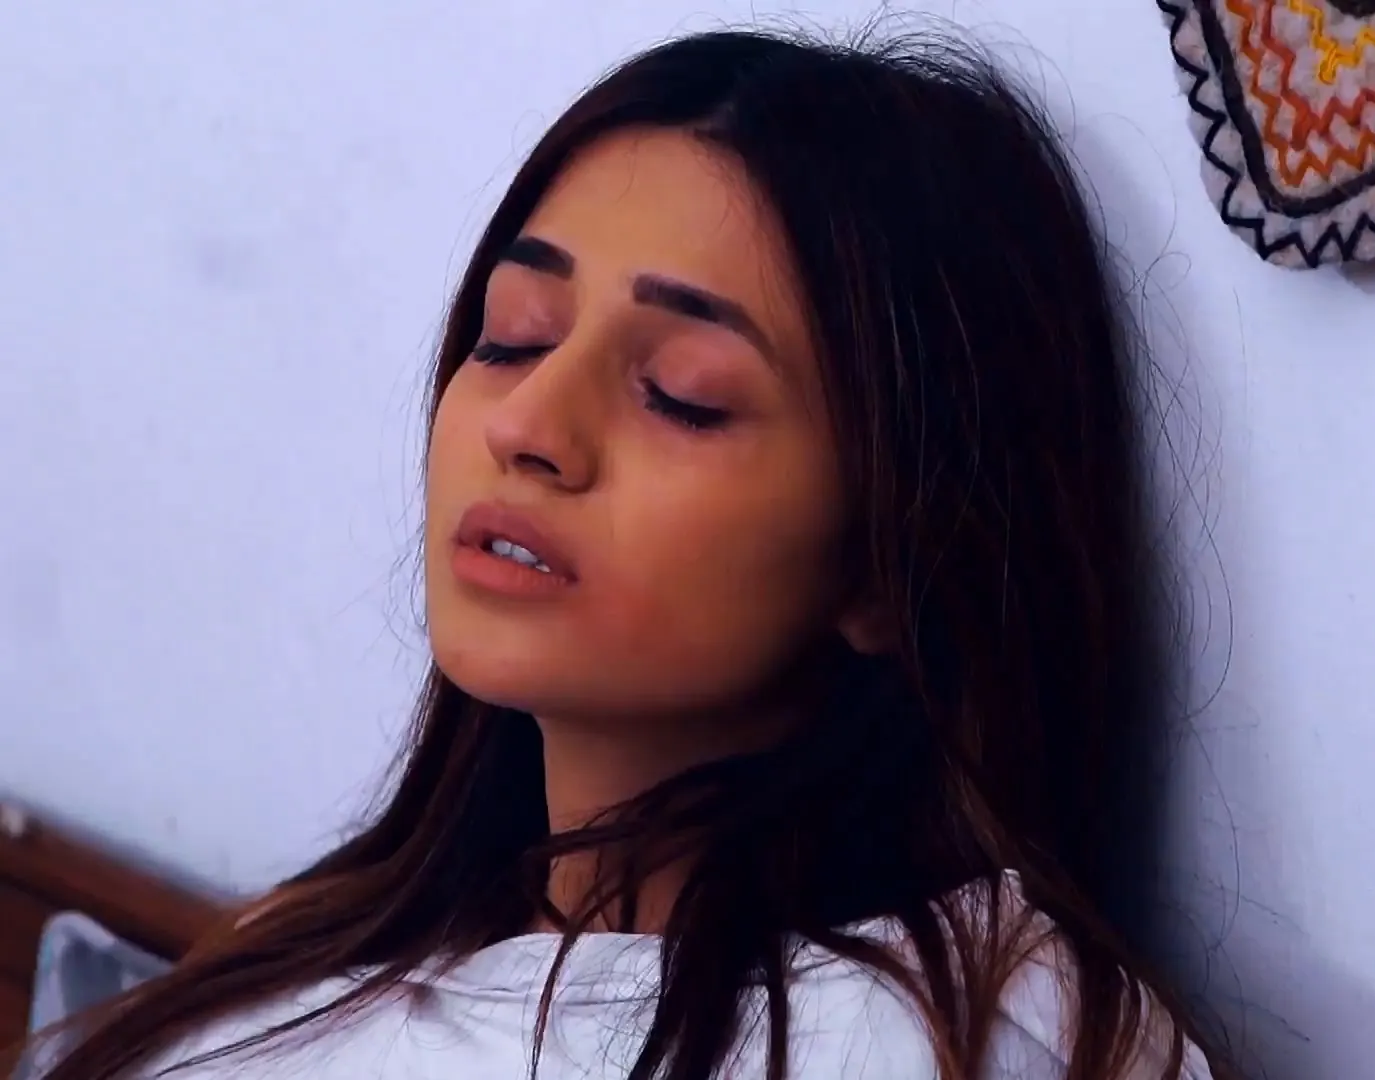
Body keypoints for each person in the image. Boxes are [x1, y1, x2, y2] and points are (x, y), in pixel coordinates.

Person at [28, 25, 1225, 1080]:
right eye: (512, 337)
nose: (529, 426)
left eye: (682, 396)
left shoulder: (956, 1029)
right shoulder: (304, 958)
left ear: (887, 556)